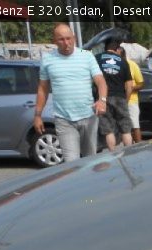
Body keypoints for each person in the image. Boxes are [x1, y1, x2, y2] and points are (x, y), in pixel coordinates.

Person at [34, 23, 107, 163]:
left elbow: (100, 81)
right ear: (54, 41)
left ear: (74, 38)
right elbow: (42, 89)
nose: (66, 43)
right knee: (71, 163)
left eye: (69, 38)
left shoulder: (87, 56)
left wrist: (102, 100)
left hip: (89, 116)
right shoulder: (47, 60)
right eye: (61, 39)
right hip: (64, 119)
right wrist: (37, 115)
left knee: (90, 160)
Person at [96, 39, 133, 151]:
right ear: (117, 49)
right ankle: (129, 152)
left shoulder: (97, 58)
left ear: (105, 48)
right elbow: (129, 85)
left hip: (103, 98)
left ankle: (112, 154)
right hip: (120, 96)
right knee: (126, 129)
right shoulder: (123, 61)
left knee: (108, 130)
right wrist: (126, 100)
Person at [126, 49, 145, 142]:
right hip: (118, 101)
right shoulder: (115, 65)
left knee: (135, 126)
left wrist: (131, 88)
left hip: (131, 101)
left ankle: (139, 146)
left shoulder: (132, 65)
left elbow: (141, 83)